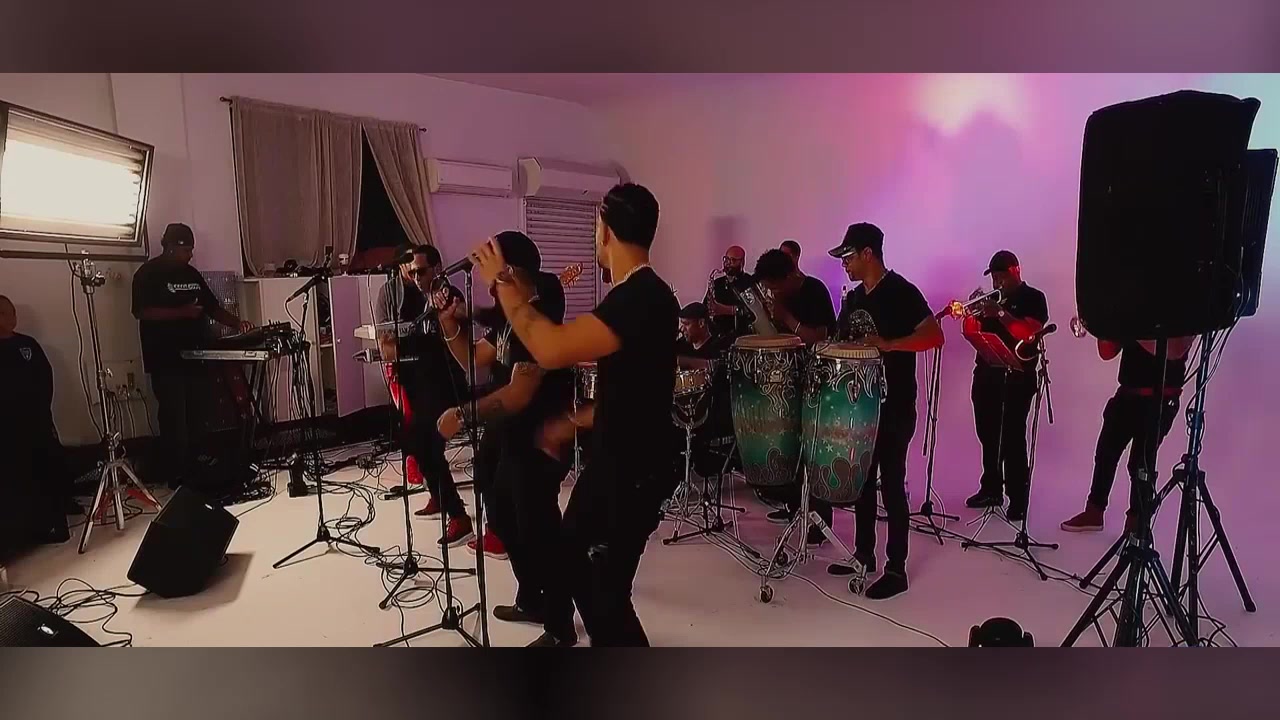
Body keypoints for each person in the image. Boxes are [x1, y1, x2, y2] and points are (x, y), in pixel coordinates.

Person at [473, 182, 679, 647]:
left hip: (632, 470)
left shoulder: (639, 297)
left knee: (603, 590)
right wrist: (575, 421)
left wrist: (505, 289)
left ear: (605, 231)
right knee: (573, 560)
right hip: (617, 460)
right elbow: (636, 389)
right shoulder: (639, 295)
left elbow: (551, 348)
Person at [434, 231, 575, 643]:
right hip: (508, 436)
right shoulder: (507, 315)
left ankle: (560, 625)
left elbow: (520, 392)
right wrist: (449, 323)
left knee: (539, 529)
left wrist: (462, 415)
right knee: (500, 516)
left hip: (540, 437)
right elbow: (474, 361)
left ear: (509, 270)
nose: (484, 278)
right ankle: (531, 597)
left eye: (490, 266)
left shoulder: (540, 315)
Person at [827, 222, 944, 600]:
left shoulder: (902, 292)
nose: (844, 264)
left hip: (894, 406)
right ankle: (864, 555)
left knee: (892, 484)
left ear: (868, 253)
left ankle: (897, 568)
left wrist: (889, 344)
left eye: (849, 256)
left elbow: (934, 335)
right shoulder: (853, 299)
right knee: (861, 481)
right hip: (860, 406)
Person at [131, 223, 252, 489]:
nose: (190, 255)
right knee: (174, 417)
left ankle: (198, 469)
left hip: (195, 356)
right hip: (165, 359)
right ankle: (177, 473)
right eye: (186, 250)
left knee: (198, 413)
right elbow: (142, 312)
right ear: (171, 247)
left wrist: (238, 323)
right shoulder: (147, 274)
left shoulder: (192, 275)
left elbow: (212, 307)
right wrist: (182, 313)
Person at [376, 244, 474, 548]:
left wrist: (444, 312)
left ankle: (458, 516)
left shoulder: (449, 295)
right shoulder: (404, 295)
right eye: (413, 271)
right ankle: (440, 497)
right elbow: (388, 340)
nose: (416, 277)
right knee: (417, 444)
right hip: (417, 381)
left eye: (421, 271)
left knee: (426, 445)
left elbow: (459, 323)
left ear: (437, 268)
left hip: (444, 384)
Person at [1060, 335, 1193, 534]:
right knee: (1106, 452)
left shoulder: (1181, 317)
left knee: (1141, 463)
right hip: (1128, 392)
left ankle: (1136, 525)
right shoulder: (1132, 317)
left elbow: (1175, 350)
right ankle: (1094, 512)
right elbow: (1106, 352)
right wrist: (1107, 328)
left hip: (1161, 398)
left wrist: (1132, 327)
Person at [751, 248, 837, 540]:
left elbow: (820, 338)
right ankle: (795, 507)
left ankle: (819, 521)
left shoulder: (814, 291)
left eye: (775, 287)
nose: (773, 292)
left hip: (817, 381)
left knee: (814, 452)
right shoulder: (781, 296)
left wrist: (785, 317)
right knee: (791, 448)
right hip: (790, 381)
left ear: (789, 276)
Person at [963, 251, 1049, 521]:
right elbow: (971, 333)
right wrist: (971, 314)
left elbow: (1029, 332)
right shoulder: (991, 300)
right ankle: (991, 488)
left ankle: (1018, 497)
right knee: (987, 434)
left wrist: (1000, 313)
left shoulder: (1033, 298)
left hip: (1018, 378)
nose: (997, 282)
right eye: (994, 277)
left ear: (1015, 271)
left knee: (1012, 437)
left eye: (1001, 276)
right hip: (987, 374)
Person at [0, 295, 73, 553]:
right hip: (7, 429)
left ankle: (54, 522)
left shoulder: (27, 345)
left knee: (49, 465)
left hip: (36, 421)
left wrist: (41, 410)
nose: (9, 318)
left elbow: (44, 378)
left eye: (10, 312)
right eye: (2, 313)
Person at [373, 243, 429, 493]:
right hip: (399, 359)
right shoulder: (389, 291)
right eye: (408, 263)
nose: (413, 268)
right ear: (400, 266)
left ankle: (429, 458)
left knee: (427, 412)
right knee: (407, 414)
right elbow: (382, 332)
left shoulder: (426, 286)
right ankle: (412, 462)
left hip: (426, 358)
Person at [705, 245, 753, 339]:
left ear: (742, 262)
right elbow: (706, 306)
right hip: (719, 334)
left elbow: (754, 311)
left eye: (733, 260)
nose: (728, 263)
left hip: (743, 334)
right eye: (726, 259)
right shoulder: (717, 283)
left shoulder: (750, 281)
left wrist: (729, 310)